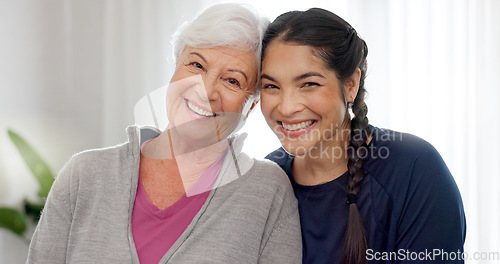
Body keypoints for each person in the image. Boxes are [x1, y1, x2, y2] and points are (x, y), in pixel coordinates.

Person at [26, 4, 301, 263]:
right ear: (174, 65)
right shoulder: (84, 175)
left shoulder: (268, 191)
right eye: (196, 65)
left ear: (251, 104)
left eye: (232, 80)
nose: (205, 91)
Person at [260, 8, 466, 264]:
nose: (287, 107)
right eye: (271, 86)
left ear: (350, 85)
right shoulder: (266, 180)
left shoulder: (413, 168)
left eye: (309, 84)